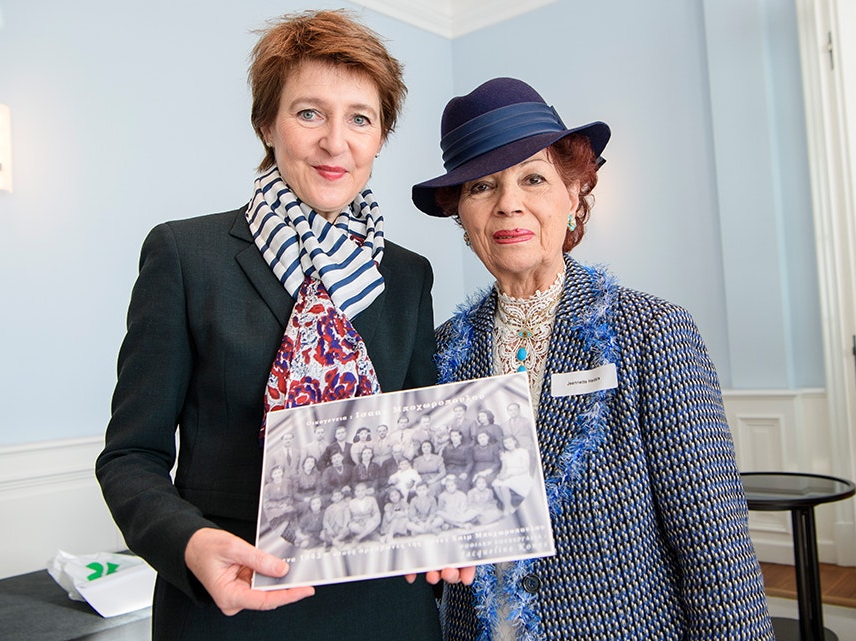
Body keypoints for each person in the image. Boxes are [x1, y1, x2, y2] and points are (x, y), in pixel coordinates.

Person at [95, 10, 468, 641]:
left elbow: (414, 447)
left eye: (360, 118)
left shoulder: (407, 276)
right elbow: (131, 456)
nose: (335, 142)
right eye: (309, 113)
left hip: (386, 613)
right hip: (233, 607)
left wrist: (447, 528)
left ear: (379, 138)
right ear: (267, 125)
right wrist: (188, 544)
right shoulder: (186, 256)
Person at [412, 77, 774, 639]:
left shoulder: (651, 332)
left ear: (575, 194)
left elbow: (714, 545)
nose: (509, 203)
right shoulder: (440, 351)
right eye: (482, 187)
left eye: (533, 178)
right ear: (462, 215)